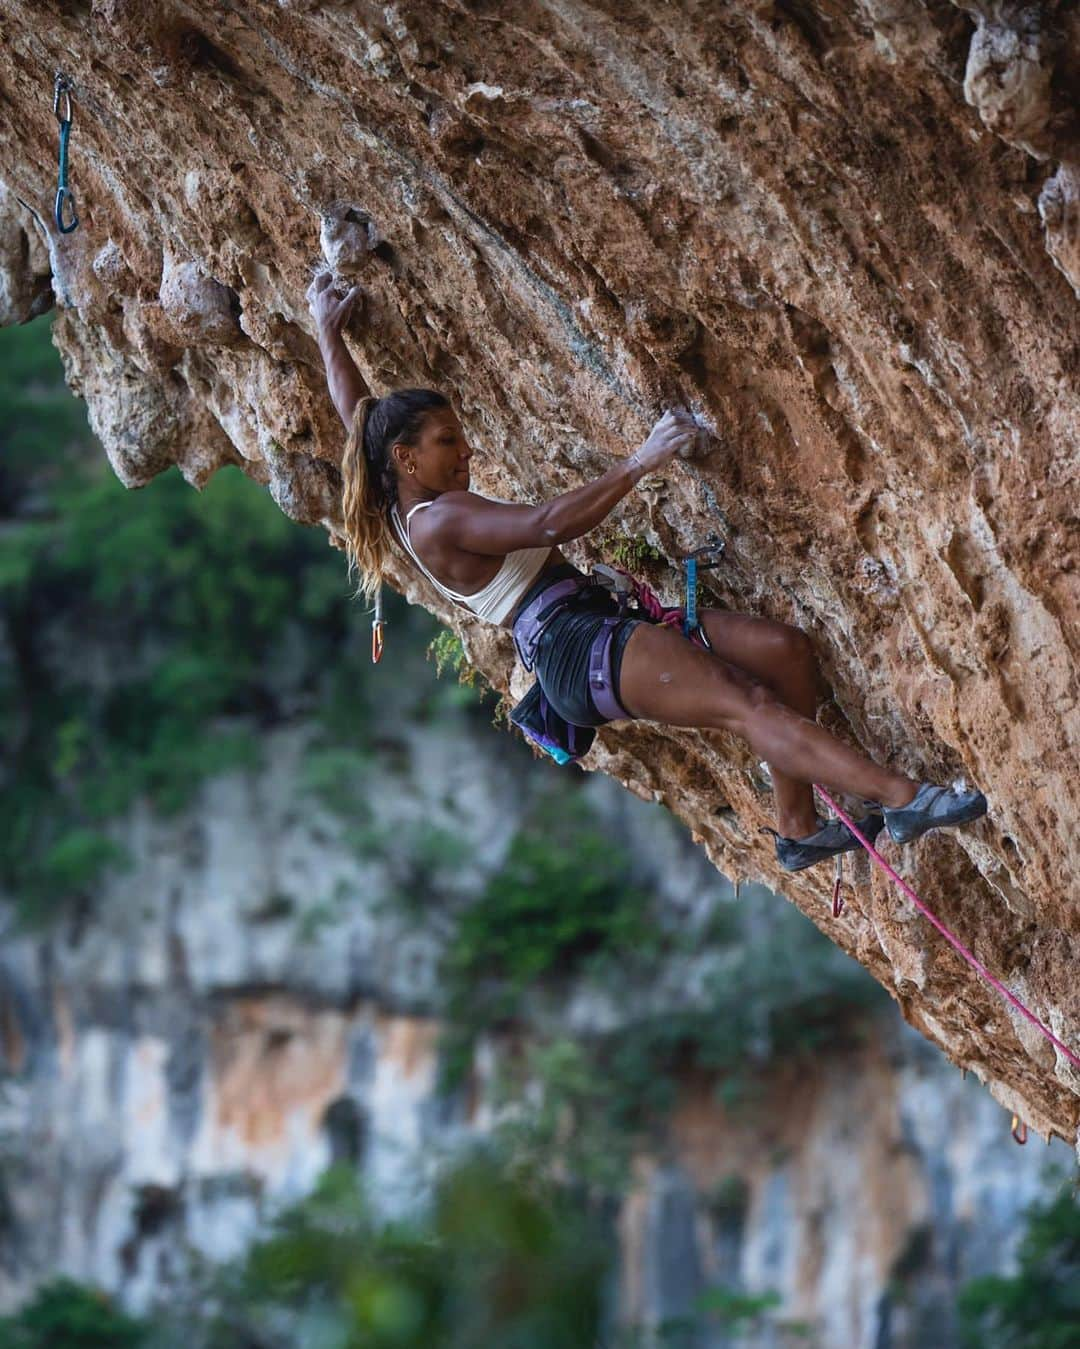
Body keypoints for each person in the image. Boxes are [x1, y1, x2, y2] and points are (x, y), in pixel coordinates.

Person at [307, 270, 987, 872]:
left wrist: (327, 330)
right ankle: (905, 799)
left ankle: (798, 828)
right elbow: (548, 524)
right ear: (405, 457)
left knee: (784, 652)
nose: (466, 452)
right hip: (577, 647)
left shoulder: (395, 498)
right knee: (747, 706)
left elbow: (355, 414)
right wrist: (640, 460)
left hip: (591, 628)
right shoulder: (438, 520)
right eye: (447, 441)